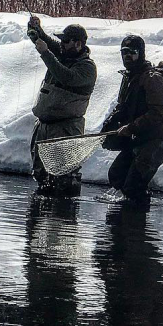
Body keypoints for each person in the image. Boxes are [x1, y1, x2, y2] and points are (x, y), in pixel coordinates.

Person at [101, 35, 163, 206]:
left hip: (157, 138)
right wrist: (108, 129)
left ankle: (137, 225)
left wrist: (131, 127)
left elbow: (158, 113)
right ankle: (124, 224)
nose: (127, 56)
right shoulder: (129, 78)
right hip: (138, 137)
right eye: (124, 52)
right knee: (116, 175)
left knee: (134, 185)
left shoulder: (152, 78)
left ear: (141, 53)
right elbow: (122, 108)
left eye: (132, 52)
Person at [28, 17, 97, 195]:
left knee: (64, 179)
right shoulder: (62, 54)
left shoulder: (87, 68)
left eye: (66, 41)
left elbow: (66, 77)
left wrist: (45, 53)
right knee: (42, 178)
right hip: (44, 128)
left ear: (78, 44)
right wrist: (36, 30)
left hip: (66, 130)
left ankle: (64, 219)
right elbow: (47, 43)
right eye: (62, 41)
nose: (62, 44)